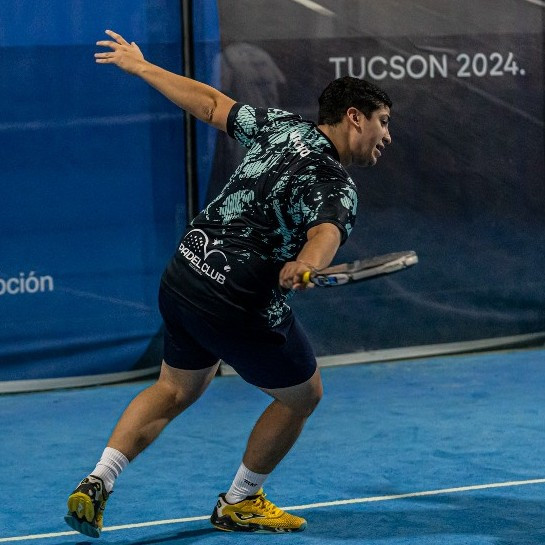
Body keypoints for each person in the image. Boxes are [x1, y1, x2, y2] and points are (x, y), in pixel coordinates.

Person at [64, 29, 392, 537]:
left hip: (185, 272)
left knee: (175, 388)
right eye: (383, 121)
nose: (386, 135)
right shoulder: (336, 184)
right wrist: (307, 263)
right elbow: (325, 231)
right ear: (354, 116)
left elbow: (212, 104)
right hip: (237, 300)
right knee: (304, 396)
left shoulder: (281, 125)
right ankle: (241, 500)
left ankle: (98, 480)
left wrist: (141, 66)